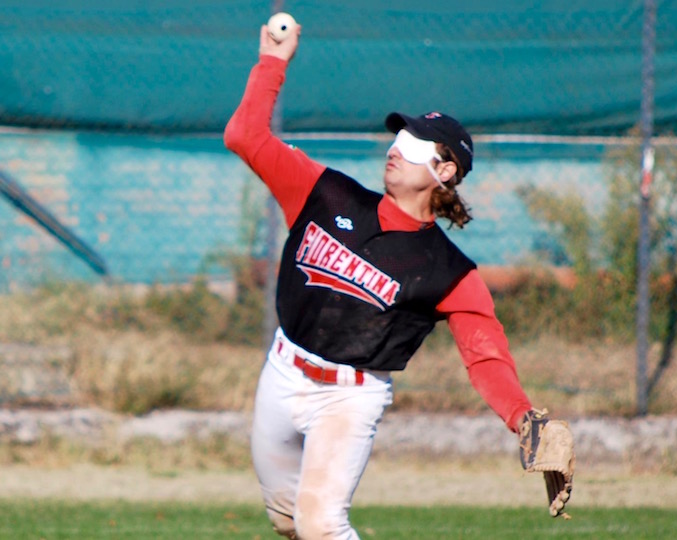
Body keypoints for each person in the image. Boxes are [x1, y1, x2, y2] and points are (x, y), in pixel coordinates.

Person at [224, 22, 568, 539]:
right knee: (287, 520)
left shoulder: (448, 271)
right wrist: (272, 62)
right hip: (281, 372)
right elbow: (244, 137)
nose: (395, 149)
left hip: (348, 398)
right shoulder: (326, 194)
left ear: (445, 171)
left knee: (321, 525)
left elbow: (485, 356)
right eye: (398, 139)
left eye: (414, 144)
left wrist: (522, 417)